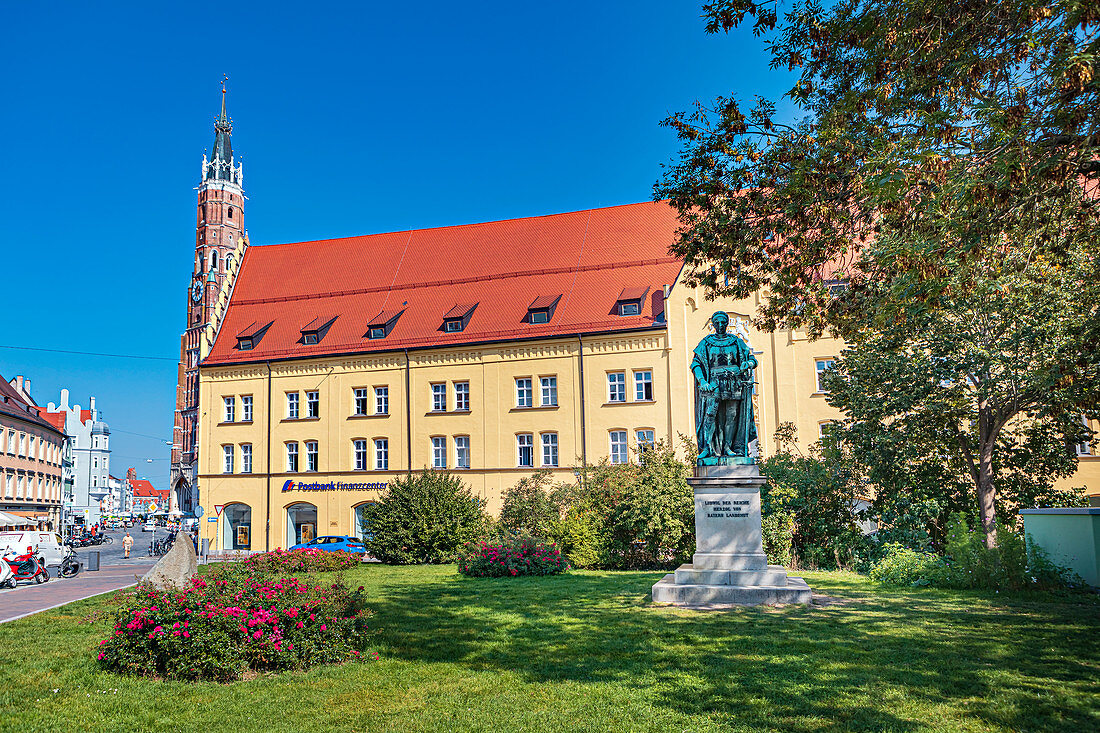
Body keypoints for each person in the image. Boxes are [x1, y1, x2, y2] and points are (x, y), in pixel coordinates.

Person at [691, 311, 758, 462]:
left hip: (734, 383)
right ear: (713, 324)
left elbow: (753, 359)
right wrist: (703, 381)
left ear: (727, 324)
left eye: (723, 323)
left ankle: (728, 447)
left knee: (732, 415)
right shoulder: (707, 342)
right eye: (717, 323)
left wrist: (748, 363)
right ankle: (707, 447)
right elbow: (696, 363)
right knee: (710, 415)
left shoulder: (736, 342)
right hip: (714, 383)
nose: (720, 326)